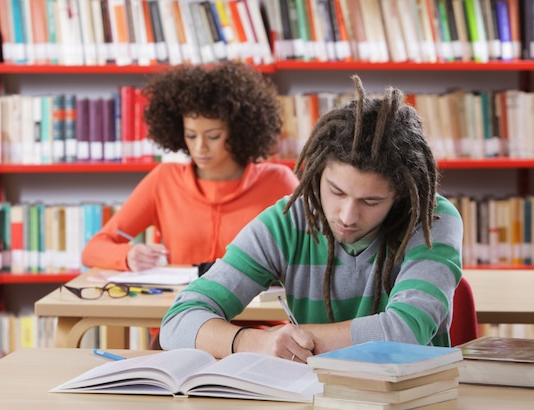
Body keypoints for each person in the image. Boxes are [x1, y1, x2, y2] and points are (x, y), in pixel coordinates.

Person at [159, 75, 464, 362]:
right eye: (336, 191)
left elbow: (405, 333)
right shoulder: (287, 222)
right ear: (317, 174)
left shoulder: (431, 220)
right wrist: (254, 342)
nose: (347, 216)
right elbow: (177, 321)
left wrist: (295, 339)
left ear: (400, 194)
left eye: (370, 201)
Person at [81, 60, 298, 273]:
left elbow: (316, 249)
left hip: (255, 306)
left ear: (240, 131)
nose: (200, 147)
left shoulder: (277, 181)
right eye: (191, 135)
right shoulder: (164, 180)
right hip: (185, 305)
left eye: (213, 136)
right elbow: (93, 249)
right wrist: (127, 256)